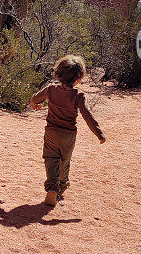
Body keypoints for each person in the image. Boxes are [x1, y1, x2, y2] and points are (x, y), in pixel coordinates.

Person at [30, 55, 106, 206]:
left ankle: (52, 187)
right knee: (65, 161)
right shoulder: (78, 95)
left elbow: (34, 99)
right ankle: (61, 186)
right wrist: (99, 133)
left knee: (51, 159)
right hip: (69, 135)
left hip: (51, 132)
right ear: (78, 79)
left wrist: (35, 105)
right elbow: (87, 115)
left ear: (57, 75)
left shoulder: (51, 90)